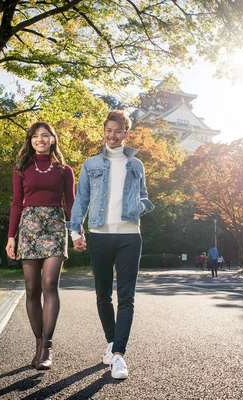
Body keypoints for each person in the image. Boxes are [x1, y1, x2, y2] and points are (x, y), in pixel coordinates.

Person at [68, 110, 154, 380]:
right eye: (109, 130)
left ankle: (118, 355)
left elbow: (144, 197)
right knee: (102, 294)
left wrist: (138, 207)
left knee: (126, 296)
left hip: (130, 234)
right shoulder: (90, 164)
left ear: (126, 134)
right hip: (100, 234)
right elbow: (80, 199)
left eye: (118, 131)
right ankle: (111, 341)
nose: (112, 135)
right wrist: (75, 231)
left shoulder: (136, 165)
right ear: (103, 131)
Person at [5, 121, 75, 371]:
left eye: (45, 136)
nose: (40, 140)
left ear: (53, 139)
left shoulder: (64, 170)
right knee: (32, 288)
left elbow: (70, 204)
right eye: (36, 136)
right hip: (29, 227)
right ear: (30, 141)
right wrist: (11, 236)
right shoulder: (22, 169)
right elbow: (16, 204)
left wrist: (77, 231)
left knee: (49, 285)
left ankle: (47, 348)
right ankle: (37, 343)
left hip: (56, 226)